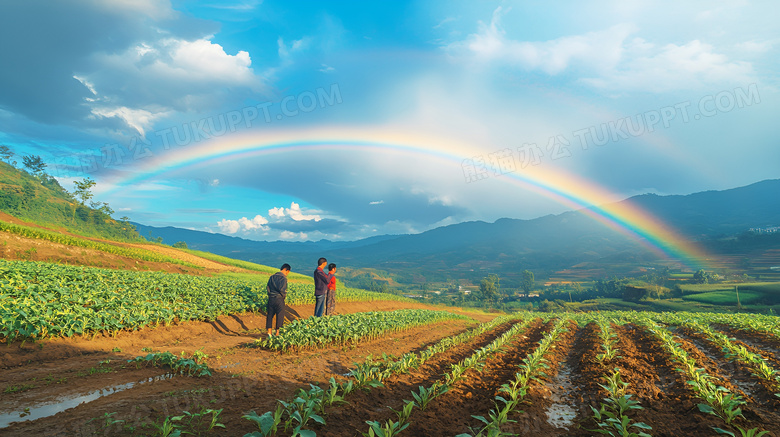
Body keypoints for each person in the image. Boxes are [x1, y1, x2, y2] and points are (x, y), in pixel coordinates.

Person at [266, 263, 291, 336]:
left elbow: (268, 287)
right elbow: (283, 290)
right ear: (287, 270)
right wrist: (283, 297)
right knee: (280, 315)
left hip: (271, 298)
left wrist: (270, 295)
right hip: (279, 298)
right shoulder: (283, 278)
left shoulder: (272, 277)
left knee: (270, 315)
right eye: (288, 272)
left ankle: (269, 332)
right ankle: (278, 333)